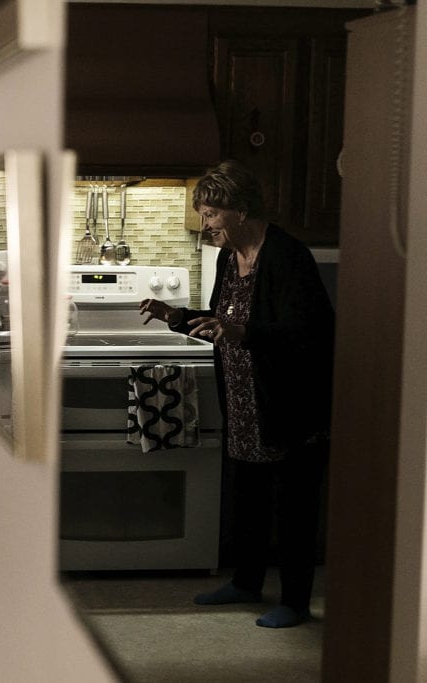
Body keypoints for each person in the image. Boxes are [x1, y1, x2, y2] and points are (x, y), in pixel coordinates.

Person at [139, 160, 334, 629]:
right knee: (248, 497)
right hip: (244, 402)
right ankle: (246, 582)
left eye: (210, 214)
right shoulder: (230, 258)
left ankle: (294, 601)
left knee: (293, 508)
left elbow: (309, 332)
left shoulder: (288, 257)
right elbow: (221, 322)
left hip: (289, 405)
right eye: (203, 214)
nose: (205, 224)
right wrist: (177, 316)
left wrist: (240, 330)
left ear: (240, 210)